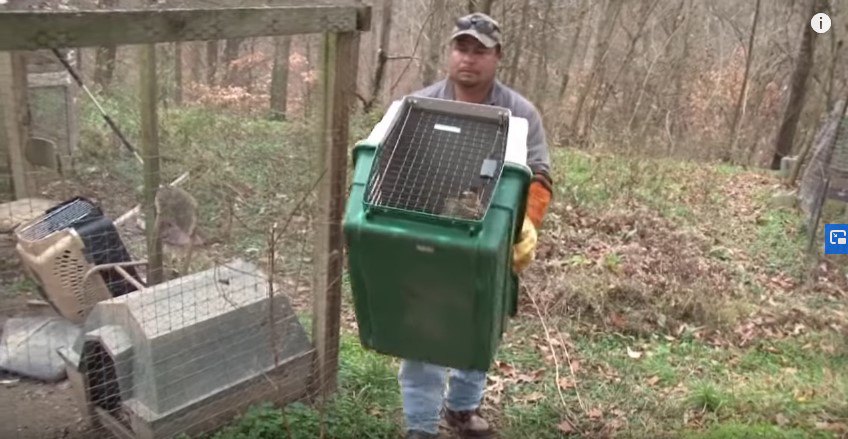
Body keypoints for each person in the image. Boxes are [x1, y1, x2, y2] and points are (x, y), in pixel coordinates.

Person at [399, 12, 554, 439]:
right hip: (429, 233)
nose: (468, 59)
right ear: (451, 53)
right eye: (461, 48)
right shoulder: (419, 104)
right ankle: (420, 427)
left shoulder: (519, 113)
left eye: (479, 51)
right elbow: (391, 168)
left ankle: (462, 410)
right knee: (423, 329)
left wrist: (526, 225)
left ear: (497, 56)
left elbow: (538, 174)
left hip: (490, 234)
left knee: (480, 323)